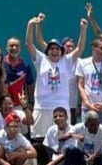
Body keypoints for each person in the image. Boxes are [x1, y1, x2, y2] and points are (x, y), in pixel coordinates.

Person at [26, 14, 87, 148]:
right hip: (42, 107)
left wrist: (83, 29)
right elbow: (29, 43)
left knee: (63, 140)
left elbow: (80, 48)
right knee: (39, 141)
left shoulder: (66, 61)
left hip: (61, 107)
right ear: (47, 51)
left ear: (61, 51)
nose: (55, 51)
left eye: (57, 49)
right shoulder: (41, 59)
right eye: (52, 48)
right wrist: (31, 25)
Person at [76, 38, 102, 126]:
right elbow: (80, 85)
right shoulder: (82, 63)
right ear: (93, 48)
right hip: (87, 107)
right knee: (86, 133)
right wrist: (87, 103)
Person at [3, 37, 35, 110]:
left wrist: (31, 102)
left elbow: (30, 85)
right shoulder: (0, 63)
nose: (14, 48)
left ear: (20, 48)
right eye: (11, 45)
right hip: (3, 104)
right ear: (6, 48)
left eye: (16, 46)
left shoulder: (25, 65)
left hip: (20, 104)